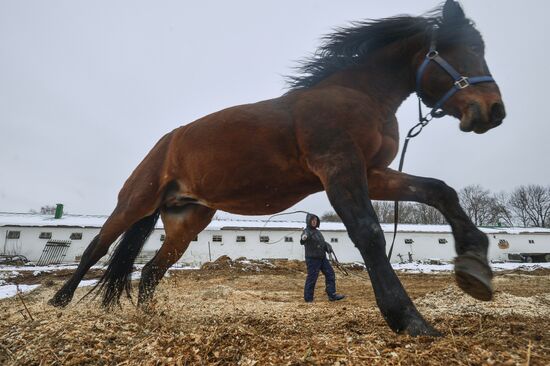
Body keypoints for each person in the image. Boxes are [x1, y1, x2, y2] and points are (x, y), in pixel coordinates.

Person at [300, 213, 345, 303]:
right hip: (312, 259)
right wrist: (304, 238)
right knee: (312, 278)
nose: (314, 222)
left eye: (315, 220)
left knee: (330, 274)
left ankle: (332, 295)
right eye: (312, 220)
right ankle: (308, 298)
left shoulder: (318, 232)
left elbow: (322, 243)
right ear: (309, 221)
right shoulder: (306, 231)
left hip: (322, 258)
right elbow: (302, 240)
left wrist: (327, 246)